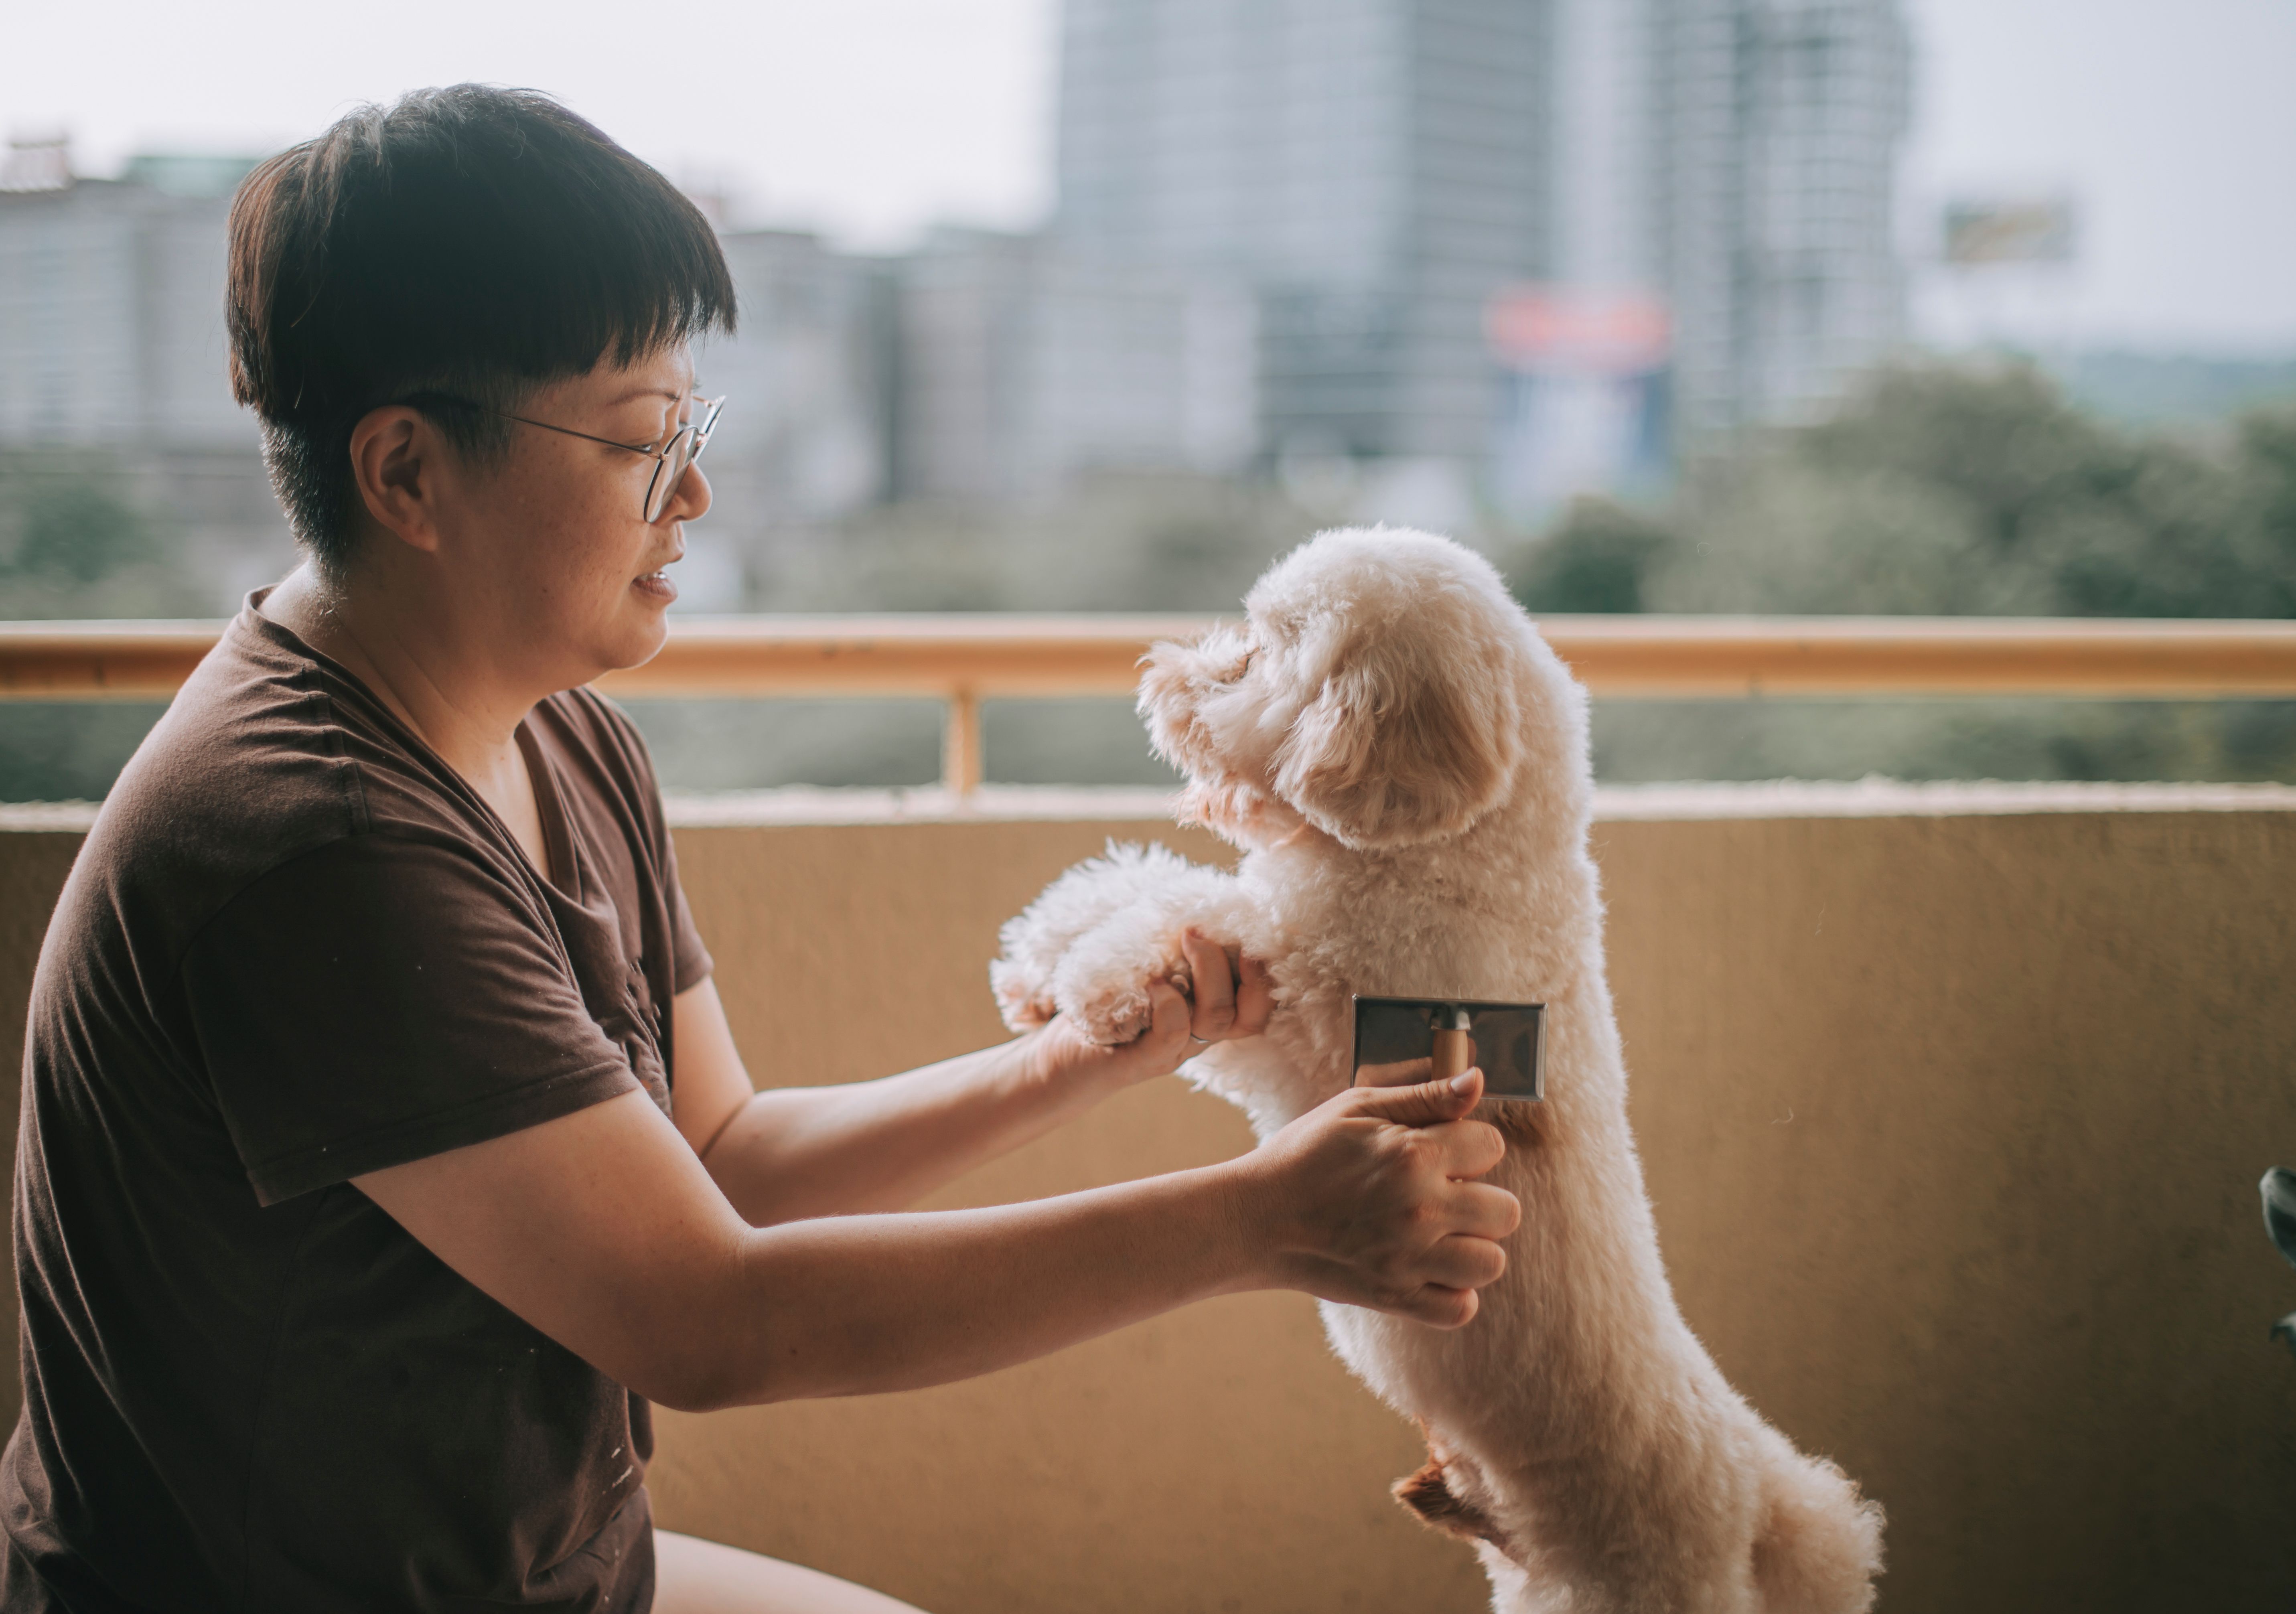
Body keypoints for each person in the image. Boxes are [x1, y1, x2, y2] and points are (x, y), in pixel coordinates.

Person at [0, 86, 1520, 1612]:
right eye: (643, 442)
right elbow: (712, 1322)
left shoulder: (554, 726)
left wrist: (1075, 1063)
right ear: (406, 474)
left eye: (694, 427)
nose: (697, 495)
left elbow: (722, 1162)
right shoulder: (314, 848)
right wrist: (1266, 1222)